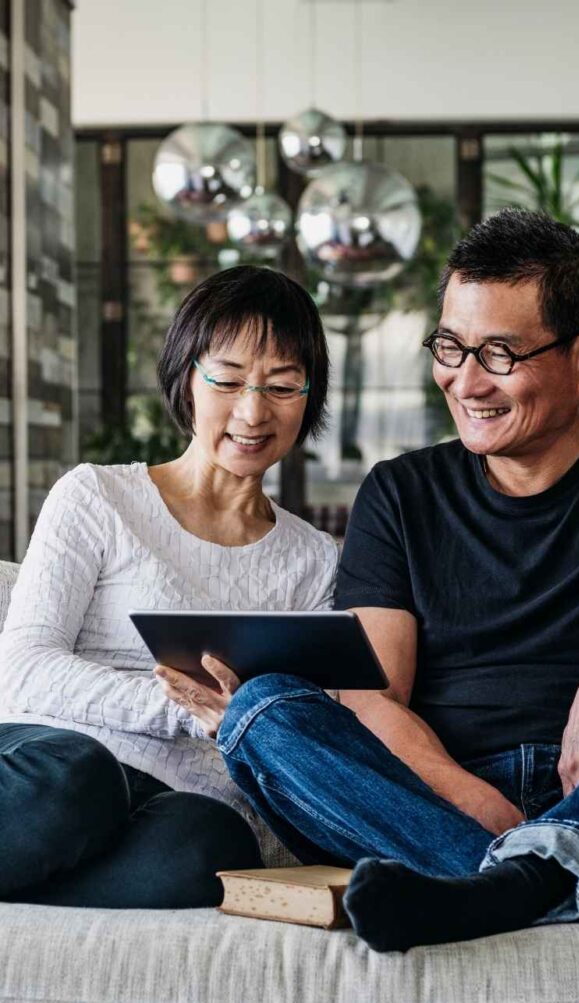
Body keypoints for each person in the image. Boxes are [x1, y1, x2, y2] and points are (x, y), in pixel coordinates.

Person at [162, 211, 579, 951]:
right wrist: (474, 801)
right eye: (449, 346)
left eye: (499, 353)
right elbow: (376, 697)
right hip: (444, 800)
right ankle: (575, 885)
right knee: (262, 710)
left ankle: (506, 888)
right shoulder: (401, 492)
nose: (464, 381)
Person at [0, 265, 337, 908]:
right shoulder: (97, 496)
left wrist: (251, 721)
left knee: (210, 846)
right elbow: (21, 670)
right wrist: (187, 710)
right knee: (80, 775)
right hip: (44, 765)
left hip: (163, 806)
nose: (252, 410)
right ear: (188, 377)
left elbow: (297, 720)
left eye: (282, 386)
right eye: (228, 379)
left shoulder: (314, 561)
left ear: (309, 396)